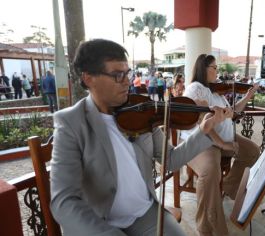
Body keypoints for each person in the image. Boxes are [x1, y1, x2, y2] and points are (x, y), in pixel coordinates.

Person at [50, 39, 232, 236]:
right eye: (117, 75)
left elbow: (170, 160)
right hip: (98, 223)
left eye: (127, 73)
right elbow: (64, 201)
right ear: (88, 78)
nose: (127, 81)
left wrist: (204, 129)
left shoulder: (141, 110)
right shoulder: (70, 122)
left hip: (145, 214)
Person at [181, 54, 260, 236]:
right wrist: (223, 144)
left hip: (224, 137)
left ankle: (227, 187)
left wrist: (248, 96)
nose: (218, 71)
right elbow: (202, 119)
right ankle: (207, 226)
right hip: (204, 142)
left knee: (252, 151)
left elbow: (234, 112)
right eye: (214, 67)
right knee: (210, 172)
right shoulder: (195, 89)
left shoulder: (216, 92)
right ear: (203, 69)